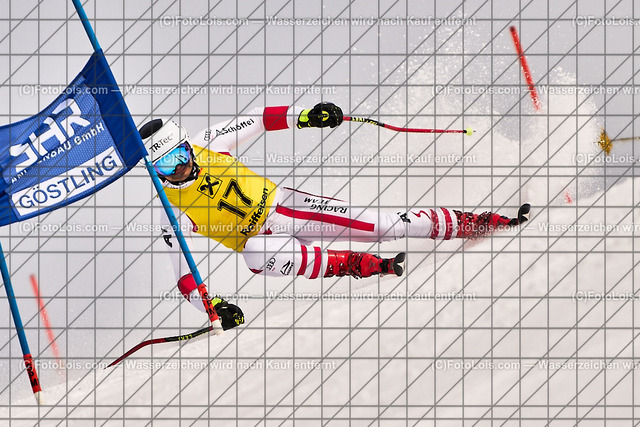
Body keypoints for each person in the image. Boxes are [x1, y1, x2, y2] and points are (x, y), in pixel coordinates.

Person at [139, 103, 530, 330]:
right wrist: (212, 307)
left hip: (289, 209)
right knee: (254, 252)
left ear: (186, 144)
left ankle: (478, 224)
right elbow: (184, 278)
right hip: (268, 245)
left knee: (383, 226)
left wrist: (307, 116)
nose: (179, 168)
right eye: (165, 166)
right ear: (155, 172)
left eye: (180, 155)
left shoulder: (207, 142)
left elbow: (259, 119)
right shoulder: (170, 209)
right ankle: (355, 265)